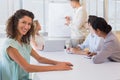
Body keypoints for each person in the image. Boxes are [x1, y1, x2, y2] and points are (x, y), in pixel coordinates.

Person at [1, 9, 73, 80]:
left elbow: (39, 58)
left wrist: (58, 63)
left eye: (29, 24)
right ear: (15, 23)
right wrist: (57, 67)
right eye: (23, 22)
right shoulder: (10, 45)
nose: (26, 27)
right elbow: (27, 68)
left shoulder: (24, 43)